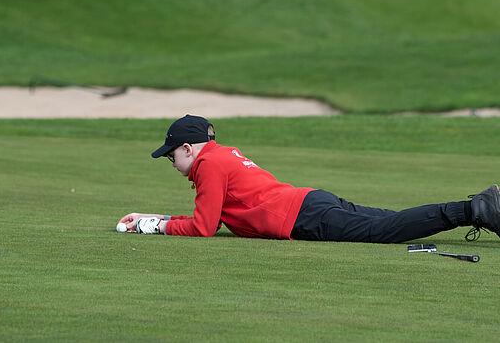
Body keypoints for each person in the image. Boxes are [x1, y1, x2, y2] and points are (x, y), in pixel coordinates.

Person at [118, 115, 500, 243]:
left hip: (304, 217)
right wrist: (155, 217)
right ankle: (488, 209)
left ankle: (474, 210)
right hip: (310, 201)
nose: (171, 162)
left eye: (171, 155)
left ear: (188, 148)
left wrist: (153, 226)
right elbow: (210, 219)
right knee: (391, 220)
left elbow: (203, 228)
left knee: (387, 230)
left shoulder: (209, 166)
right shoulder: (221, 155)